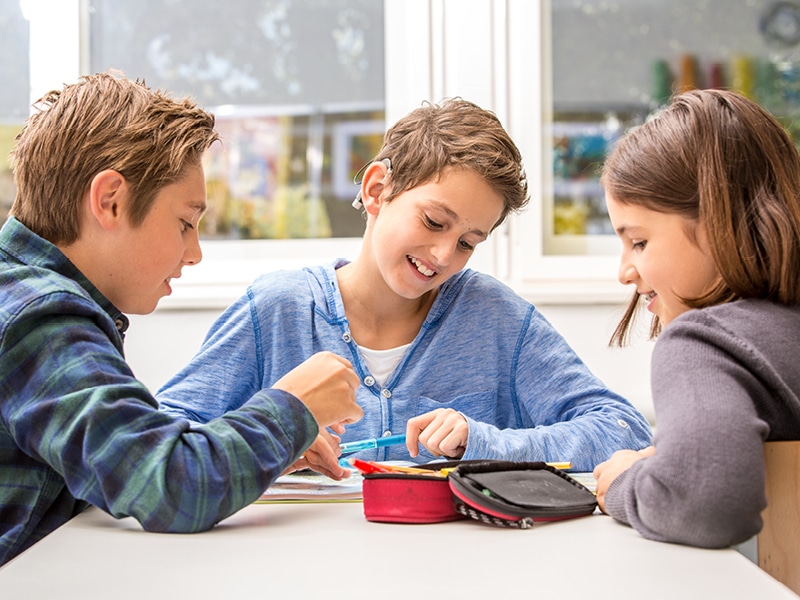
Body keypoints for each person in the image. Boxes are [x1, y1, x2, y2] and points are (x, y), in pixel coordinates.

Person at [157, 98, 652, 479]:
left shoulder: (496, 320)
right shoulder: (276, 311)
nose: (442, 256)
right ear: (376, 190)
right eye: (434, 221)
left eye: (467, 242)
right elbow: (159, 437)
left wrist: (482, 443)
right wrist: (265, 437)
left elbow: (622, 429)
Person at [0, 72, 363, 566]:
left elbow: (115, 458)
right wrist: (292, 408)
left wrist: (256, 449)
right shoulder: (40, 317)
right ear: (110, 200)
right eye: (185, 223)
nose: (193, 253)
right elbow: (173, 485)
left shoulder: (23, 292)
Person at [593, 88, 800, 548]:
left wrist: (629, 480)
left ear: (720, 222)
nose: (625, 271)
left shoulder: (703, 344)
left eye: (639, 242)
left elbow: (703, 504)